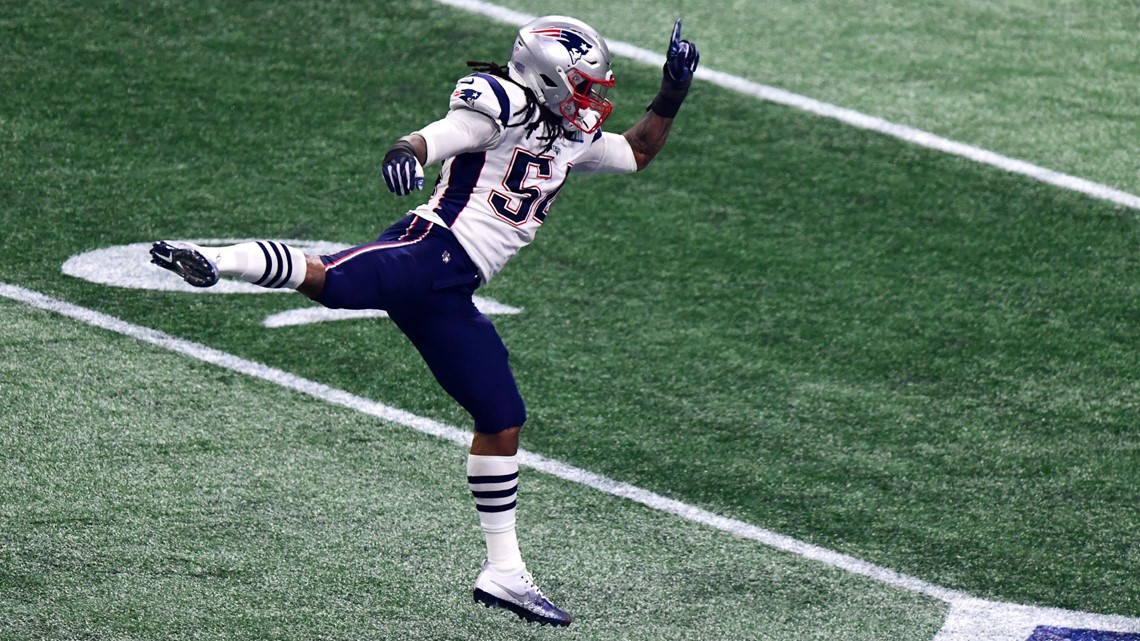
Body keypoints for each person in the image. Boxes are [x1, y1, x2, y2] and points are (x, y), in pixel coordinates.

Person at [149, 15, 699, 627]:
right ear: (546, 76)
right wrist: (405, 151)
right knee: (332, 281)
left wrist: (671, 94)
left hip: (451, 290)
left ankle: (504, 574)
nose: (593, 98)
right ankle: (213, 259)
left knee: (501, 416)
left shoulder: (570, 136)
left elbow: (639, 150)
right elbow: (446, 133)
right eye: (584, 84)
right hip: (429, 250)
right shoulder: (507, 102)